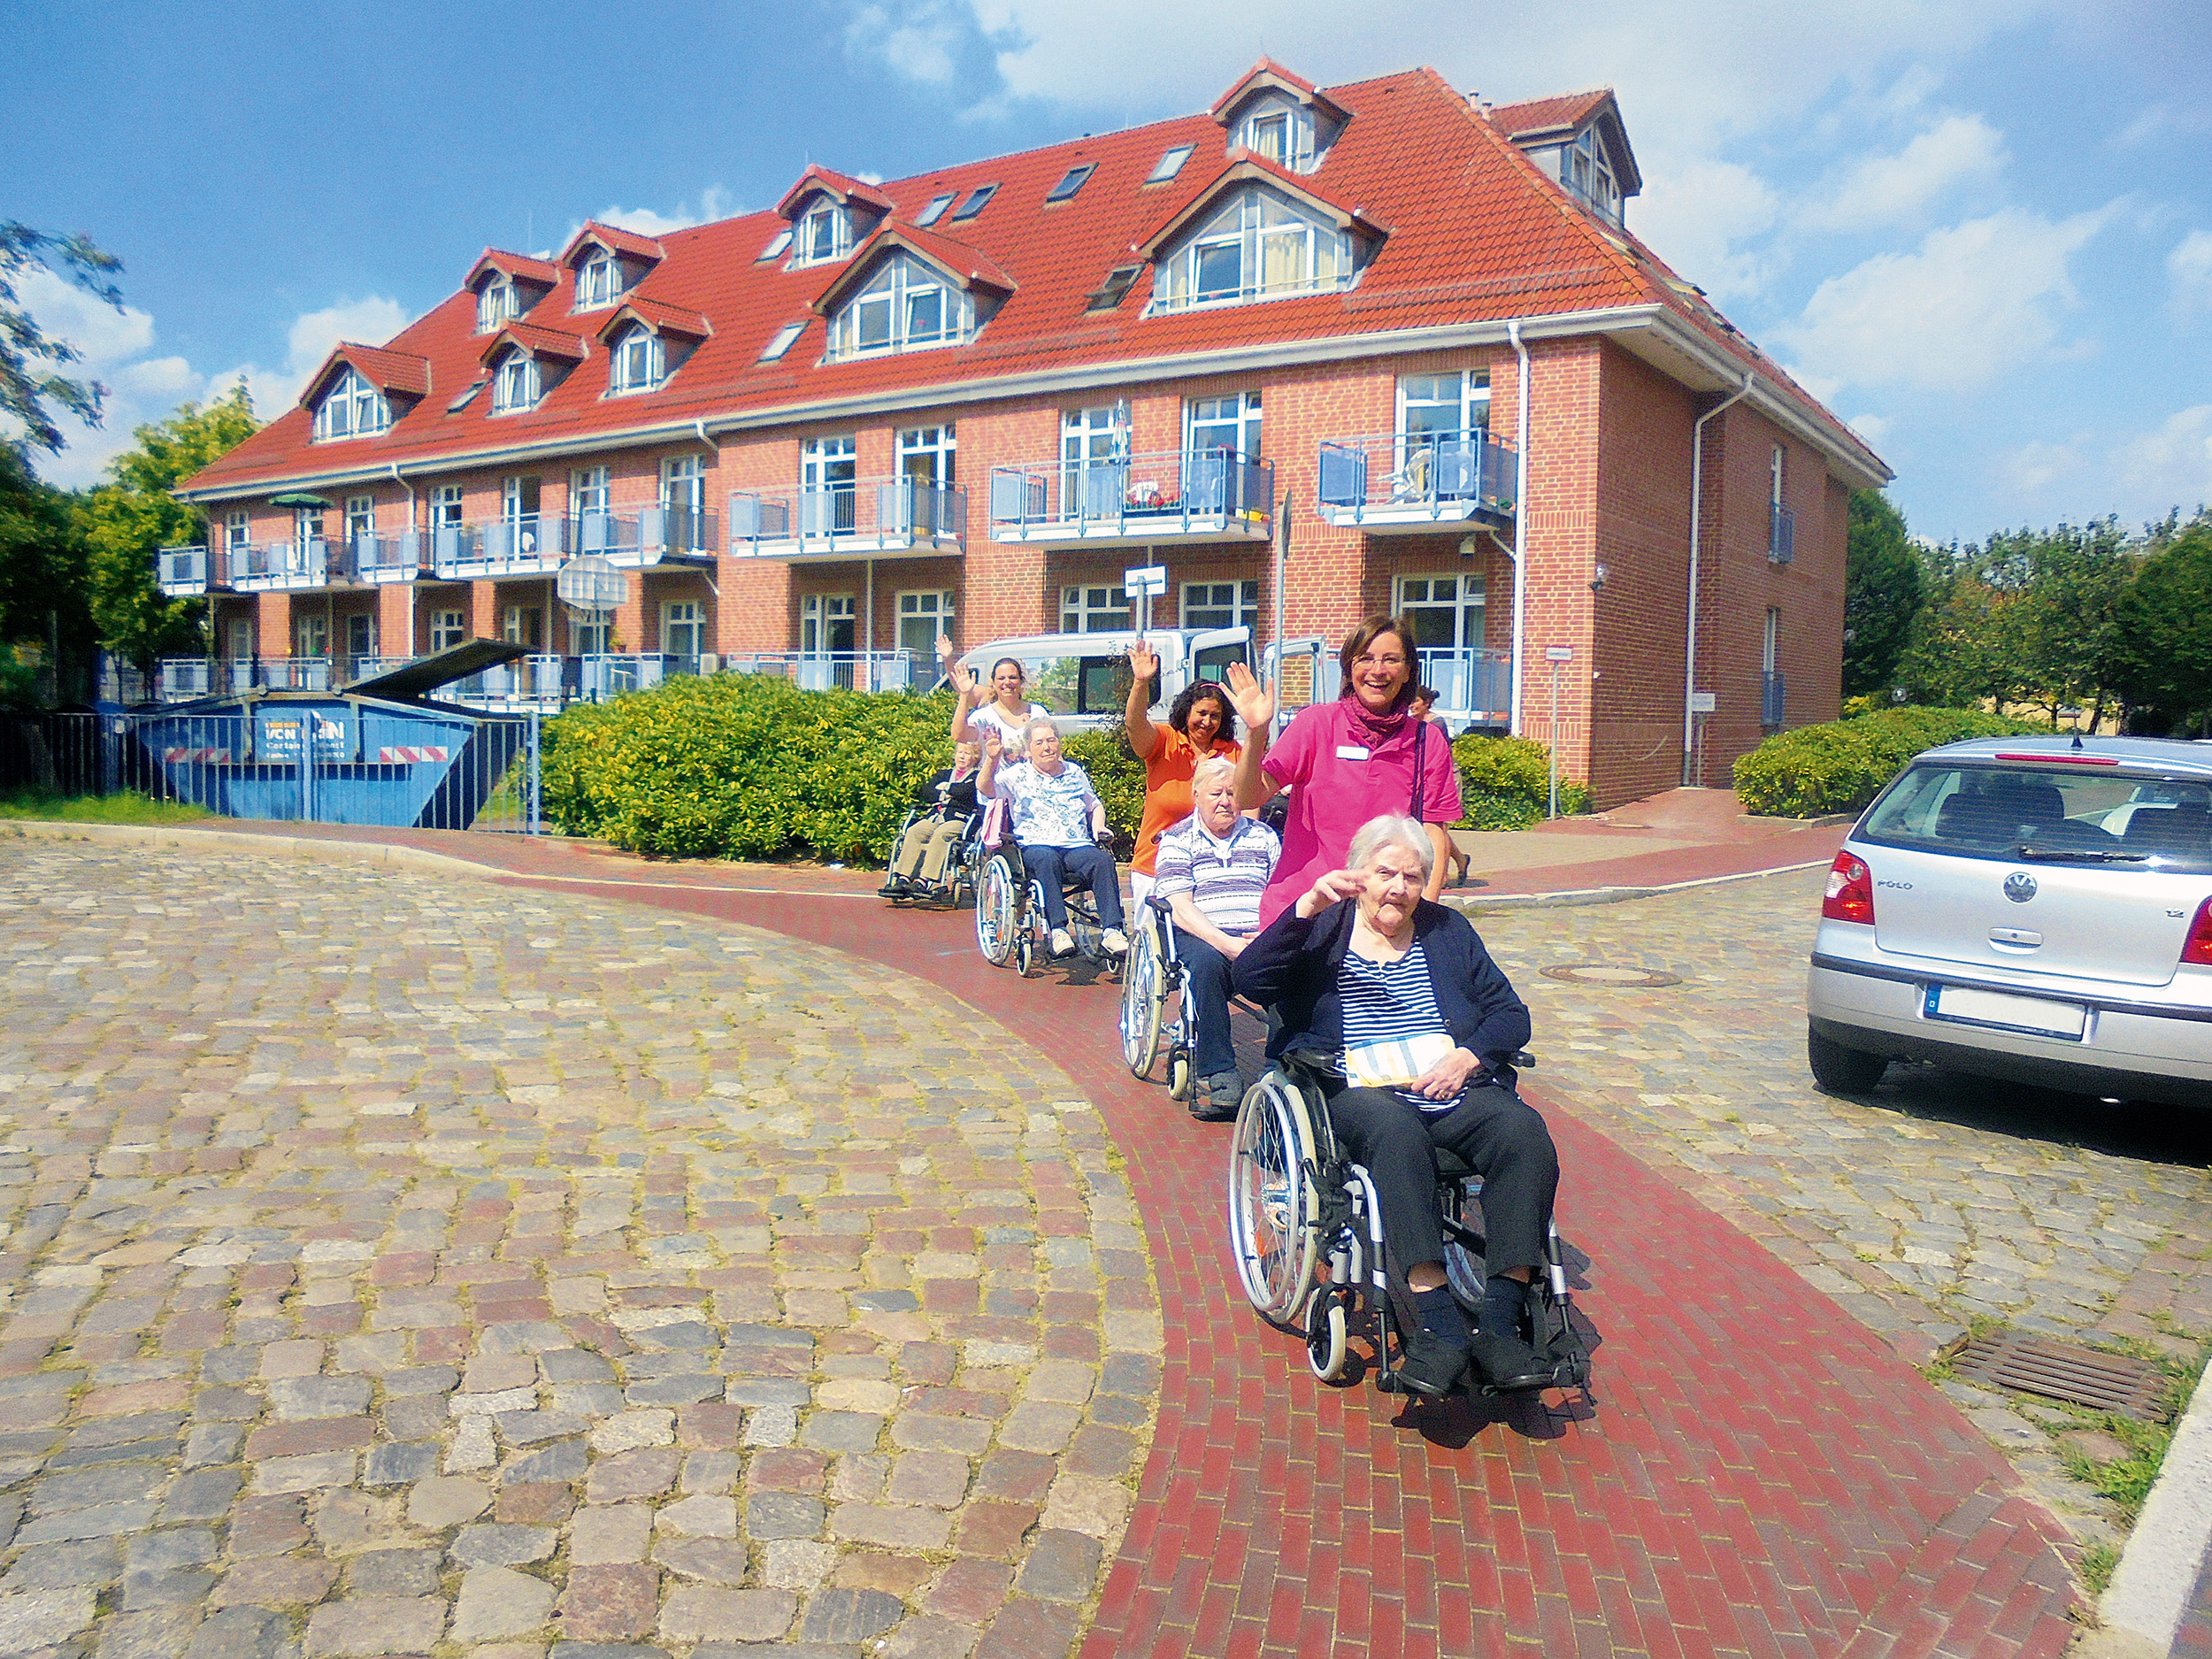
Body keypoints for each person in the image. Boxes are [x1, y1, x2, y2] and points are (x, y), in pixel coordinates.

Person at [1232, 814, 1556, 1399]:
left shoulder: (1447, 930)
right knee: (1396, 1132)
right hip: (1359, 1093)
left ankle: (1503, 1322)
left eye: (1412, 875)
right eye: (1386, 872)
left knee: (1524, 1132)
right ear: (1359, 873)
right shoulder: (1324, 927)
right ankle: (1436, 1323)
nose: (1399, 888)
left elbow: (1512, 1014)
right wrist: (1303, 908)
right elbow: (1249, 978)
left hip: (1448, 1087)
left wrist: (1468, 1056)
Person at [1225, 614, 1464, 929]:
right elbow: (1246, 797)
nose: (1377, 671)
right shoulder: (1316, 724)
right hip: (1306, 909)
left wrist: (1423, 913)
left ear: (1408, 671)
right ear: (1350, 669)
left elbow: (1434, 833)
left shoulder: (1427, 741)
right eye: (1365, 659)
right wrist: (1256, 732)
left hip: (1382, 916)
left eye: (1390, 660)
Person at [1151, 756, 1280, 1120]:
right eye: (1215, 793)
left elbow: (1278, 893)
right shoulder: (1178, 839)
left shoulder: (1264, 836)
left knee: (1291, 962)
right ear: (1196, 796)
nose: (1225, 800)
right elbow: (1181, 908)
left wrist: (1268, 935)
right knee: (1206, 965)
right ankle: (1220, 1072)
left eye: (1232, 792)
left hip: (1255, 934)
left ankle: (1278, 1065)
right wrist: (1228, 944)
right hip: (1202, 934)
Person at [979, 718, 1127, 958]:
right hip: (1036, 845)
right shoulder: (1017, 774)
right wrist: (992, 759)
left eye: (1051, 740)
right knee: (1047, 860)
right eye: (1039, 743)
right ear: (1028, 750)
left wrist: (1099, 826)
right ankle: (1058, 930)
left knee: (1102, 861)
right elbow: (986, 789)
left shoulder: (1074, 772)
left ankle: (1112, 931)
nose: (1047, 747)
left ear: (1059, 744)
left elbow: (1094, 805)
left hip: (1076, 845)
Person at [1123, 641, 1241, 907]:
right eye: (1201, 713)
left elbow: (1248, 805)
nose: (1207, 721)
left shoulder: (1233, 752)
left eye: (1215, 716)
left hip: (1212, 870)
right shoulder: (1165, 740)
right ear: (1186, 711)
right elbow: (1135, 725)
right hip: (1154, 865)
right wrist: (1141, 683)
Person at [881, 741, 981, 900]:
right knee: (914, 831)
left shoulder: (977, 776)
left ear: (975, 758)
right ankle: (903, 878)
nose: (961, 756)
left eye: (967, 753)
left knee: (941, 835)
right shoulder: (943, 773)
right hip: (935, 815)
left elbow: (967, 792)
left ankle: (924, 880)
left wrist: (945, 788)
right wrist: (950, 792)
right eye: (959, 752)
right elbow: (927, 792)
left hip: (959, 818)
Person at [941, 635, 1048, 764]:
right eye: (1001, 678)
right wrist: (964, 694)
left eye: (1013, 677)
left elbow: (1054, 752)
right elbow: (959, 735)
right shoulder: (984, 717)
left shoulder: (1038, 713)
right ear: (994, 683)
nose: (1007, 682)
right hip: (995, 783)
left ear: (1021, 681)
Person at [1409, 686, 1471, 887]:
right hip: (1421, 778)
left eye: (1416, 701)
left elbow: (1437, 756)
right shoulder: (1410, 723)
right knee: (1431, 828)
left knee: (1438, 826)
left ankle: (1441, 875)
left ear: (1426, 703)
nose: (1412, 705)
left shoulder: (1436, 724)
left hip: (1445, 777)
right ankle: (1460, 859)